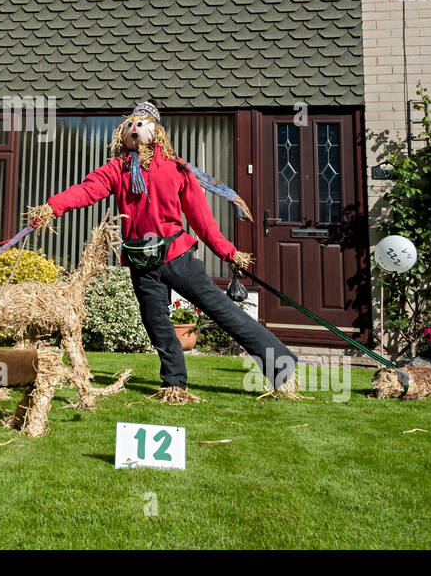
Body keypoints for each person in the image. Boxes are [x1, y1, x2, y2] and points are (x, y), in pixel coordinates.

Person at [34, 99, 299, 397]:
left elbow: (202, 218)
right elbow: (86, 190)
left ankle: (283, 368)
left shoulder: (176, 168)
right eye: (132, 122)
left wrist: (227, 252)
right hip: (141, 260)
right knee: (156, 322)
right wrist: (51, 208)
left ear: (156, 130)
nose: (136, 128)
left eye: (143, 121)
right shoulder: (117, 170)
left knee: (221, 309)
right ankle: (174, 384)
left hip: (177, 257)